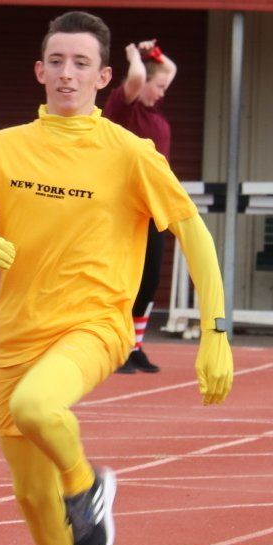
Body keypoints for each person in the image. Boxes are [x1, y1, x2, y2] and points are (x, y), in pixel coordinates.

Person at [0, 11, 232, 545]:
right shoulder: (0, 149)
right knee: (31, 497)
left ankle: (87, 487)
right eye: (57, 61)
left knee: (38, 407)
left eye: (81, 64)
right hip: (16, 336)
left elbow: (193, 232)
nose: (67, 74)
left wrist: (215, 332)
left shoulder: (130, 153)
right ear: (39, 70)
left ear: (104, 77)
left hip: (96, 325)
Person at [101, 38, 178, 374]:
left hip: (152, 208)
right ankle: (114, 348)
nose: (162, 92)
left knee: (149, 280)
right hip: (122, 208)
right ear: (143, 82)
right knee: (123, 281)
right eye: (157, 86)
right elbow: (135, 78)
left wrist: (154, 54)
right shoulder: (124, 107)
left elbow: (170, 69)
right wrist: (134, 54)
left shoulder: (153, 109)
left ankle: (135, 346)